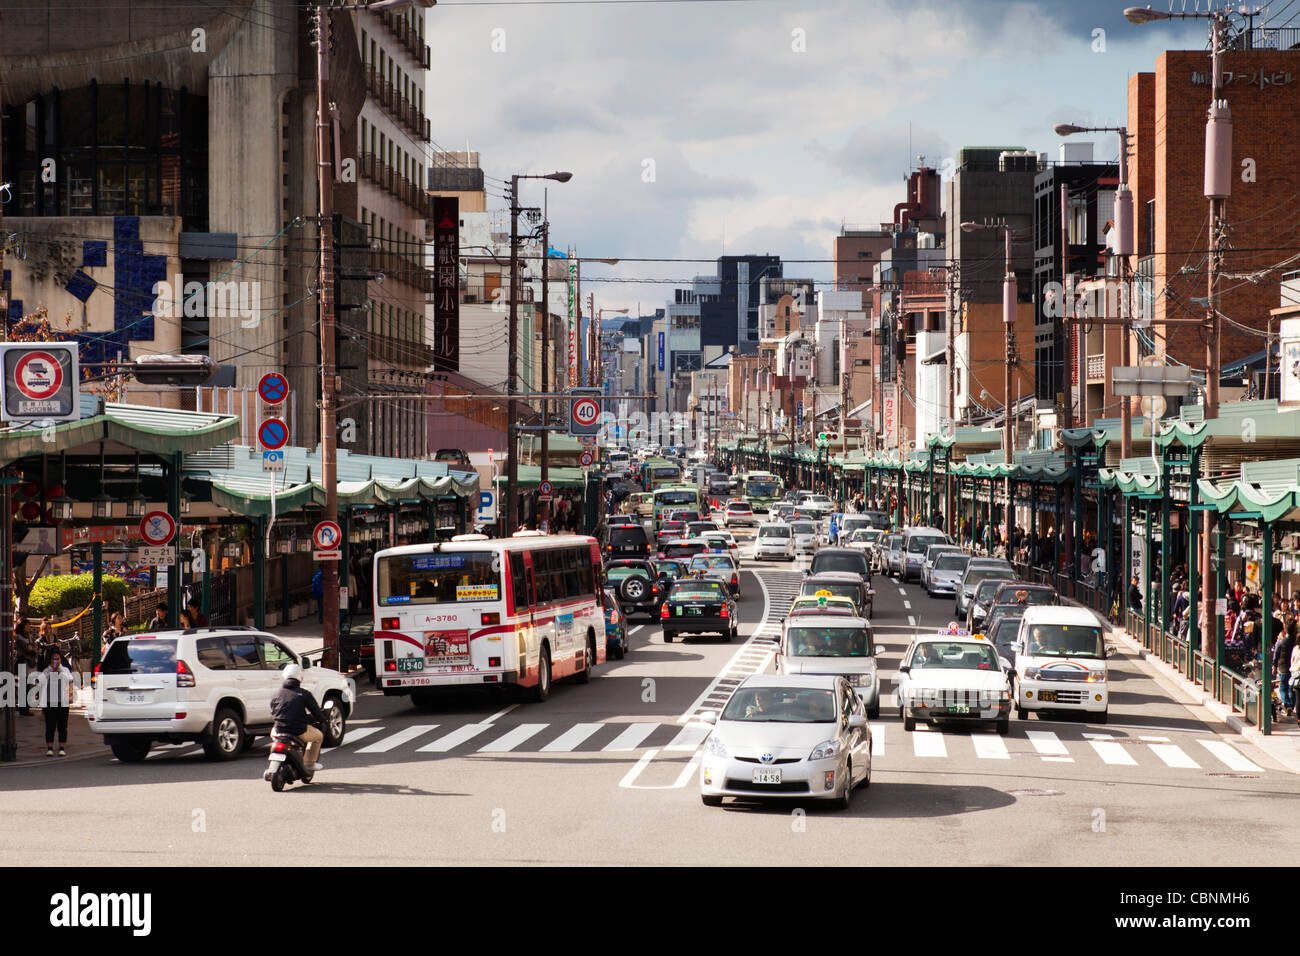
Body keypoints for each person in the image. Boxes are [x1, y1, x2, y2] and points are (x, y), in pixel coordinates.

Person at [269, 664, 327, 773]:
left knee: (274, 733)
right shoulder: (304, 694)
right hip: (298, 730)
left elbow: (272, 711)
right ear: (300, 677)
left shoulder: (276, 693)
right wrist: (323, 719)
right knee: (318, 736)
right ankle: (309, 763)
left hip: (277, 730)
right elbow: (316, 712)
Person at [37, 648, 75, 757]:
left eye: (57, 659)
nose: (56, 661)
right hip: (50, 701)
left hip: (63, 701)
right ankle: (49, 747)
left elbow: (70, 681)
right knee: (50, 725)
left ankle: (62, 747)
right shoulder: (46, 671)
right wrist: (51, 671)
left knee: (63, 725)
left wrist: (70, 695)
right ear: (50, 660)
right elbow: (40, 681)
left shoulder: (65, 670)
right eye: (54, 659)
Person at [13, 618, 33, 716]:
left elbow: (33, 647)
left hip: (29, 663)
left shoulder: (28, 636)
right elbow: (25, 650)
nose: (29, 627)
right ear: (22, 626)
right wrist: (30, 648)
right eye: (27, 625)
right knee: (22, 686)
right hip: (21, 662)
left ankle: (26, 707)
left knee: (28, 685)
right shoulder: (18, 637)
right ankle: (23, 709)